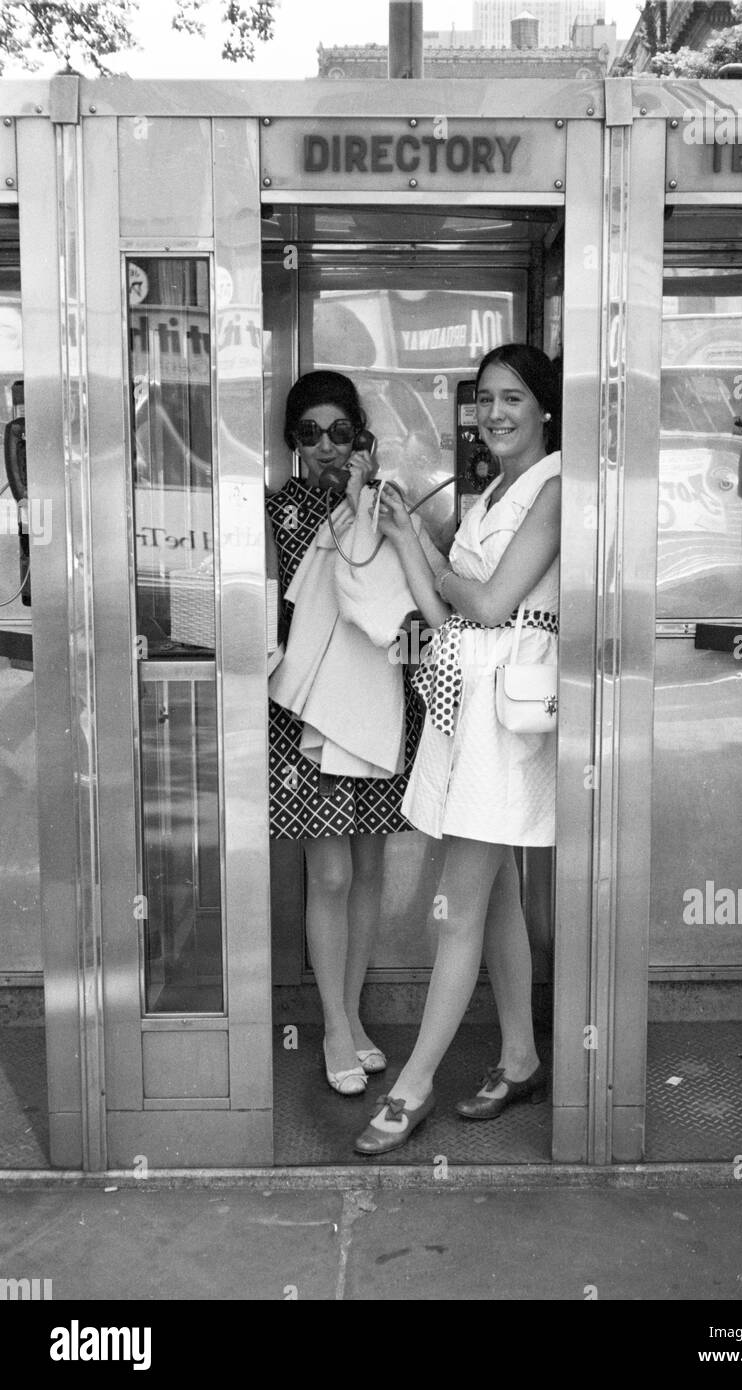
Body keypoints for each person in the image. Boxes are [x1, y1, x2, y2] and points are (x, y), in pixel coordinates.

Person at [353, 343, 561, 1154]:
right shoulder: (495, 493)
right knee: (497, 893)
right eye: (483, 399)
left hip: (507, 724)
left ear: (544, 407)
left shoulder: (553, 488)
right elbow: (454, 616)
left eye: (512, 398)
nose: (495, 413)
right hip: (468, 711)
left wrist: (451, 582)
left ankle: (412, 1086)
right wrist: (411, 539)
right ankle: (519, 1057)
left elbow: (491, 599)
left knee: (460, 906)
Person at [266, 370, 427, 1097]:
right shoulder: (278, 513)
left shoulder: (383, 504)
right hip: (309, 719)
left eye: (340, 432)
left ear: (360, 436)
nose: (326, 447)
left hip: (378, 705)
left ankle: (352, 1016)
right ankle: (332, 1022)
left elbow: (412, 593)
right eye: (310, 435)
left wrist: (367, 497)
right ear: (292, 444)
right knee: (328, 873)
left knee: (368, 872)